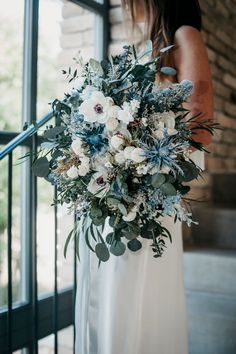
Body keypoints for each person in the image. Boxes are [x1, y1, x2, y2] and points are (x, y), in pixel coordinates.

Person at [75, 1, 214, 353]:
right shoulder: (154, 45)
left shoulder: (186, 36)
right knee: (114, 293)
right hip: (127, 190)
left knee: (138, 295)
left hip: (149, 196)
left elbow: (201, 131)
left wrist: (137, 153)